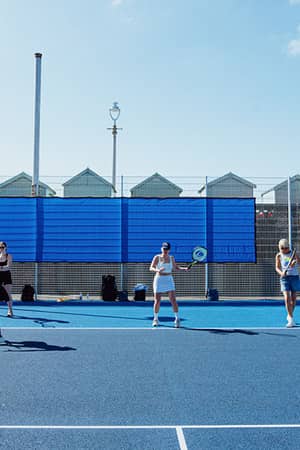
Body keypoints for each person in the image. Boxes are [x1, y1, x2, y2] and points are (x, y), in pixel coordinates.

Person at [150, 242, 189, 328]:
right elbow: (151, 267)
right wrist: (157, 270)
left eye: (167, 249)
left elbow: (175, 268)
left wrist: (184, 269)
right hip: (159, 279)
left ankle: (177, 319)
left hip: (169, 279)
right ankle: (155, 319)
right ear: (161, 249)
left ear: (169, 250)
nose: (165, 250)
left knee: (173, 300)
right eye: (164, 249)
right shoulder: (157, 257)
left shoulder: (171, 258)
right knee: (157, 300)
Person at [275, 238, 300, 328]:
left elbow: (299, 262)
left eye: (286, 247)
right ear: (279, 248)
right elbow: (277, 267)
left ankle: (290, 315)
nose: (284, 249)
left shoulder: (293, 254)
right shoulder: (278, 255)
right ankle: (291, 318)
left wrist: (295, 262)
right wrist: (281, 273)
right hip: (284, 278)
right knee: (287, 298)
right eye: (282, 248)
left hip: (294, 277)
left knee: (293, 298)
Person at [0, 242, 13, 317]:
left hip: (6, 276)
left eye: (2, 247)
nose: (1, 249)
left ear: (6, 247)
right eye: (0, 247)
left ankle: (10, 310)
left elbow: (8, 267)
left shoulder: (9, 256)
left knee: (8, 293)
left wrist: (1, 268)